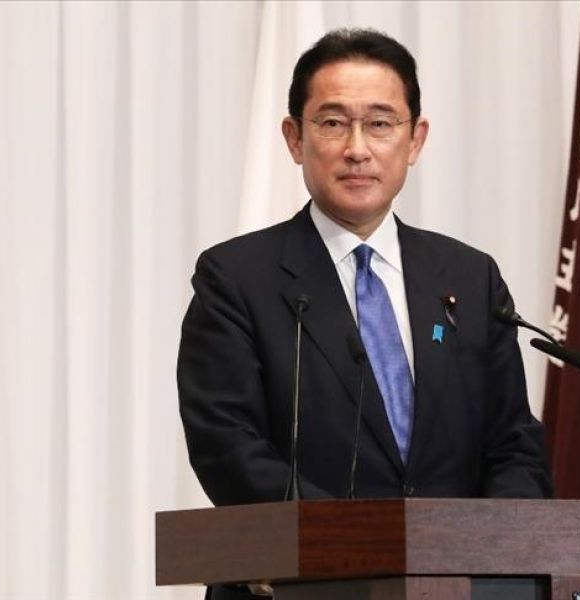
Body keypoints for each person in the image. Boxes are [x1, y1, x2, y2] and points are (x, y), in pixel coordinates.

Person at [177, 27, 553, 599]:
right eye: (332, 123)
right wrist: (357, 550)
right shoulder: (236, 277)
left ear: (415, 139)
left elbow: (513, 444)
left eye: (380, 123)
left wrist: (492, 555)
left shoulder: (468, 277)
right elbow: (227, 446)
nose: (357, 148)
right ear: (295, 138)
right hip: (300, 587)